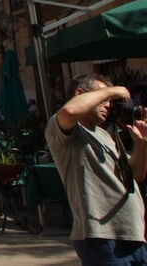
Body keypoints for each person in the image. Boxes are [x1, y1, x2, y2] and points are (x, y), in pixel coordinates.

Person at [46, 74, 147, 265]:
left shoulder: (104, 135)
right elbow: (70, 110)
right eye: (103, 97)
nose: (108, 104)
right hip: (102, 238)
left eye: (110, 101)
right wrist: (114, 90)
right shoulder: (63, 128)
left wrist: (142, 144)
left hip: (133, 234)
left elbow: (136, 175)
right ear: (80, 94)